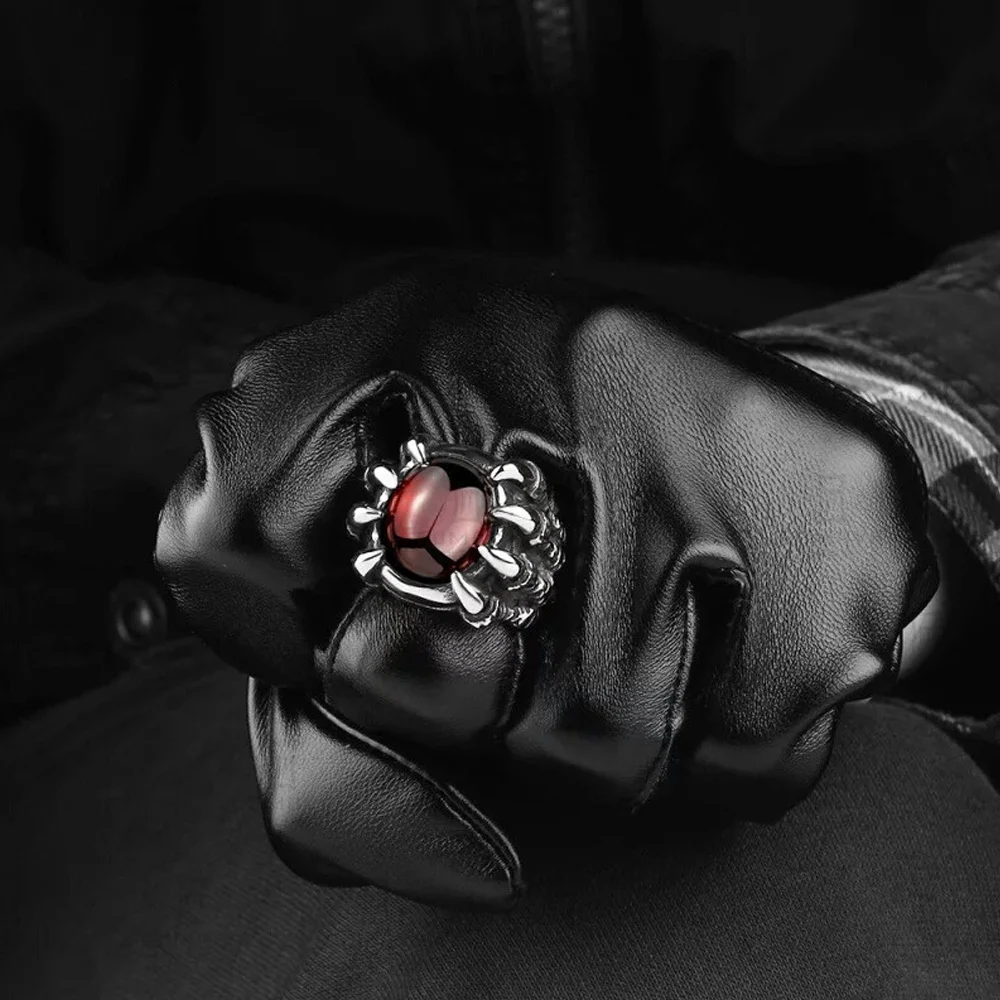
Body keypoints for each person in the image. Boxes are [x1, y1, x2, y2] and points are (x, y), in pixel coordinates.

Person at [2, 2, 1000, 996]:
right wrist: (249, 479)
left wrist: (902, 437)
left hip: (912, 507)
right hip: (121, 661)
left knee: (829, 844)